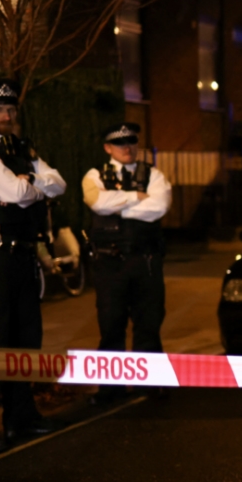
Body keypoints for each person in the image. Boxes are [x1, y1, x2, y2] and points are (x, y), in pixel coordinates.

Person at [0, 78, 68, 454]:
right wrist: (32, 189)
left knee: (26, 339)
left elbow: (59, 183)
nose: (6, 115)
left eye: (10, 109)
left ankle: (21, 417)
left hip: (22, 256)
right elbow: (12, 191)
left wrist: (30, 181)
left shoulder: (20, 147)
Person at [82, 123, 172, 403]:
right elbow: (98, 203)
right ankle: (111, 389)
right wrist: (135, 197)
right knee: (111, 326)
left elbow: (158, 207)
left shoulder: (154, 175)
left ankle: (150, 385)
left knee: (148, 324)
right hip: (110, 265)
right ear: (108, 148)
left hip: (146, 262)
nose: (127, 148)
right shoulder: (95, 175)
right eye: (120, 143)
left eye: (131, 142)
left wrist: (117, 206)